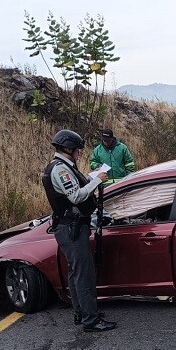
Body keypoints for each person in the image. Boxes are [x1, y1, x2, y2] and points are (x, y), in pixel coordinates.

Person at [42, 129, 117, 332]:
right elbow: (75, 196)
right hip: (71, 228)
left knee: (76, 272)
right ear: (68, 149)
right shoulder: (60, 169)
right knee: (83, 274)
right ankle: (90, 320)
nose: (79, 153)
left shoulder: (61, 166)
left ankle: (82, 313)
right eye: (77, 150)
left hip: (70, 226)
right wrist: (97, 180)